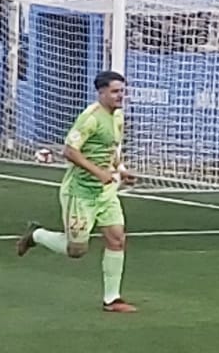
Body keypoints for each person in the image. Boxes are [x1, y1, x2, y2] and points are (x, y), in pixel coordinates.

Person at [15, 70, 135, 313]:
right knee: (76, 250)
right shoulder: (89, 118)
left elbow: (112, 148)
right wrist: (98, 173)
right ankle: (36, 234)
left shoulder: (119, 117)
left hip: (105, 192)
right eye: (115, 91)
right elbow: (70, 151)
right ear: (101, 93)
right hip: (80, 192)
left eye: (122, 91)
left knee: (117, 238)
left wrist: (120, 169)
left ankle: (112, 299)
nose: (120, 96)